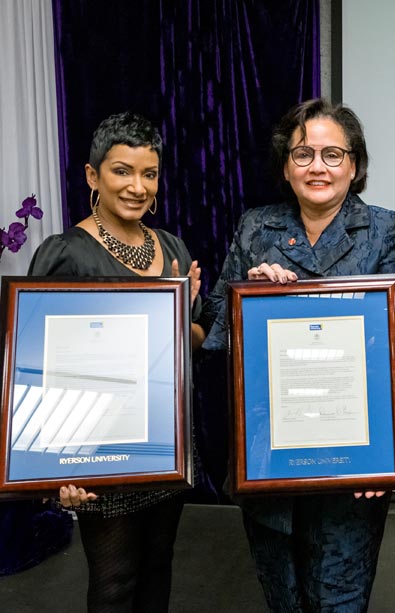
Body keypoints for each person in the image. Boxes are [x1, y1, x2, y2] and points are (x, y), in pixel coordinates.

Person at [200, 98, 395, 612]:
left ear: (354, 165)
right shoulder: (256, 227)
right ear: (285, 165)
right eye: (302, 154)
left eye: (332, 154)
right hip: (269, 451)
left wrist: (382, 450)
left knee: (340, 600)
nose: (317, 166)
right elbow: (216, 319)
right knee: (284, 597)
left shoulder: (385, 228)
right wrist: (247, 293)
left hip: (354, 451)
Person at [28, 111, 204, 612]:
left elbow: (195, 340)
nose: (137, 186)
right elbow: (38, 368)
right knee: (114, 583)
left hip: (166, 445)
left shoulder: (170, 245)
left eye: (148, 174)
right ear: (92, 176)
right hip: (101, 449)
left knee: (157, 572)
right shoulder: (64, 254)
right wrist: (53, 468)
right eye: (121, 171)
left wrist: (179, 315)